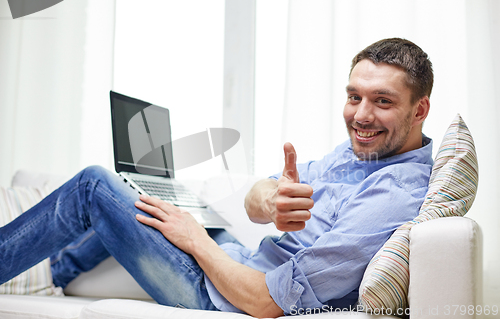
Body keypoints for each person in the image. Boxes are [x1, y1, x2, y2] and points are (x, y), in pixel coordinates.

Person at [0, 38, 433, 318]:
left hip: (225, 299)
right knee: (167, 197)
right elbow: (255, 197)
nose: (360, 115)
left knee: (93, 186)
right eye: (354, 96)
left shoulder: (394, 193)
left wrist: (195, 240)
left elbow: (267, 302)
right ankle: (55, 274)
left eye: (382, 101)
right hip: (240, 262)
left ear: (420, 110)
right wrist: (269, 200)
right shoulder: (361, 152)